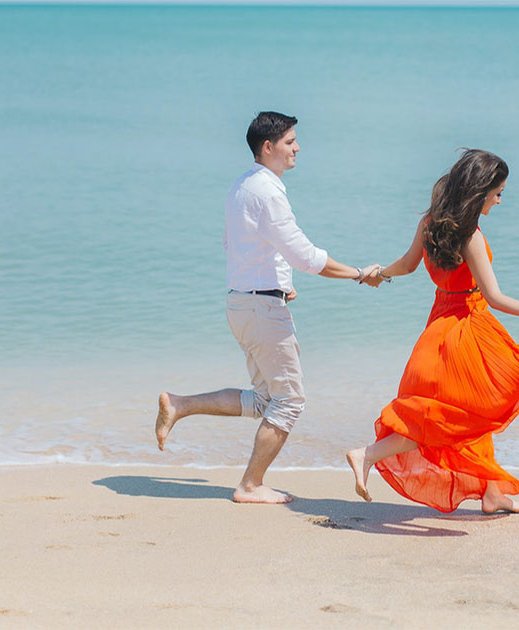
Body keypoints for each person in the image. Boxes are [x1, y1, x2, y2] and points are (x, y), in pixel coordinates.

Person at [155, 111, 380, 505]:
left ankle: (179, 405)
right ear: (268, 147)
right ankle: (250, 485)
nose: (297, 148)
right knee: (290, 400)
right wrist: (359, 274)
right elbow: (305, 255)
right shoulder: (269, 192)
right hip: (261, 309)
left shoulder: (242, 186)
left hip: (243, 303)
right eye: (291, 142)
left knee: (264, 400)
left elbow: (242, 246)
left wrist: (283, 284)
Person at [346, 149, 519, 514]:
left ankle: (492, 495)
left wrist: (379, 274)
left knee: (470, 413)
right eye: (498, 193)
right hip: (467, 328)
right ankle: (366, 454)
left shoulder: (430, 222)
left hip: (438, 326)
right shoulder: (471, 236)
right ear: (479, 192)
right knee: (454, 418)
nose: (499, 201)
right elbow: (494, 297)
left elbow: (406, 264)